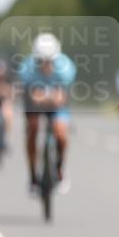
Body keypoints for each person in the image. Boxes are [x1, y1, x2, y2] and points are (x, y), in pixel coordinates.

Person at [18, 34, 76, 194]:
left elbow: (61, 97)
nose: (45, 64)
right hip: (34, 102)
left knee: (61, 133)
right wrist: (42, 97)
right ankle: (32, 176)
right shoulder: (27, 68)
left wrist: (48, 97)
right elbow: (33, 96)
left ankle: (60, 168)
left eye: (49, 60)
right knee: (33, 129)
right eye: (41, 60)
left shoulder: (65, 68)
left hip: (56, 102)